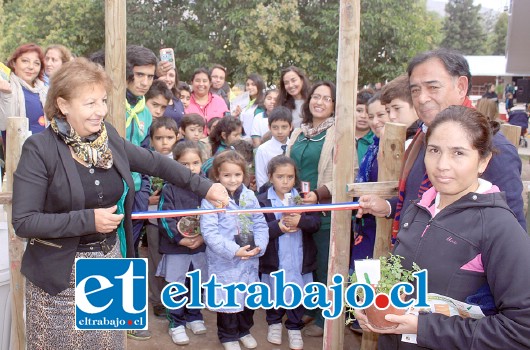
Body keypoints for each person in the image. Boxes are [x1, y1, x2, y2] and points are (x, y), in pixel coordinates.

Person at [11, 58, 229, 350]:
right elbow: (24, 221)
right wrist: (89, 220)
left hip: (112, 263)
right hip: (59, 280)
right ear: (63, 105)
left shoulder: (107, 137)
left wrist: (206, 186)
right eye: (90, 103)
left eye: (102, 100)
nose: (101, 110)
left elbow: (154, 163)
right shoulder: (39, 149)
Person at [355, 106, 530, 349]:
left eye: (458, 153)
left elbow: (521, 330)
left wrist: (424, 328)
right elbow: (401, 280)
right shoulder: (417, 208)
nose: (442, 165)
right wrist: (373, 305)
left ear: (483, 161)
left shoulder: (500, 229)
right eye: (434, 150)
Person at [357, 48, 526, 235]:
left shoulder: (492, 147)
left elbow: (511, 231)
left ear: (461, 87)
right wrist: (389, 207)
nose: (421, 98)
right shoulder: (423, 137)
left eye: (433, 87)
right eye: (415, 90)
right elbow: (425, 198)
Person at [200, 150, 268, 350]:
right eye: (227, 175)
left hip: (249, 259)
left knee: (248, 300)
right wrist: (234, 250)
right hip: (225, 261)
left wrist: (260, 245)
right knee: (227, 301)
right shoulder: (210, 199)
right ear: (217, 175)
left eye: (237, 175)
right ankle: (228, 336)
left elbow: (260, 222)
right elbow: (210, 233)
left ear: (244, 175)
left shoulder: (249, 196)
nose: (232, 180)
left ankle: (244, 331)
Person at [286, 81, 336, 337]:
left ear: (334, 105)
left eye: (326, 99)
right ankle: (310, 306)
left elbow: (349, 174)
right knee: (305, 262)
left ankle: (324, 318)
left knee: (325, 265)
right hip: (298, 208)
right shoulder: (298, 132)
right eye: (316, 97)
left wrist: (319, 194)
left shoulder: (338, 133)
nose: (319, 102)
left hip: (324, 211)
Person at [258, 155, 321, 350]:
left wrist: (300, 222)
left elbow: (315, 223)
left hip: (299, 259)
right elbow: (257, 230)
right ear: (270, 177)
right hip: (274, 260)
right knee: (274, 292)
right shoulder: (261, 201)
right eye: (280, 177)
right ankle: (274, 323)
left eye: (290, 177)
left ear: (296, 178)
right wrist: (279, 226)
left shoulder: (305, 199)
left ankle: (294, 326)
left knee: (298, 292)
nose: (285, 182)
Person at [157, 141, 209, 346]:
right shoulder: (169, 188)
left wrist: (203, 237)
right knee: (176, 286)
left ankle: (194, 316)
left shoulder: (208, 186)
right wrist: (181, 239)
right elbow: (164, 218)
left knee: (196, 283)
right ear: (175, 164)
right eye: (184, 164)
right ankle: (176, 323)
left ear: (202, 163)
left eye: (195, 163)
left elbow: (215, 217)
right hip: (176, 247)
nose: (190, 168)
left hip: (201, 246)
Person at [143, 117, 179, 318]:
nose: (164, 142)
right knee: (155, 260)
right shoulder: (145, 160)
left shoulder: (183, 159)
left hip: (177, 221)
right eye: (159, 138)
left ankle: (175, 297)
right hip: (154, 220)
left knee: (176, 260)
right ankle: (157, 300)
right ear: (151, 139)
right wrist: (148, 200)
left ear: (177, 136)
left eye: (169, 137)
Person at [351, 92, 391, 270]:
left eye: (381, 115)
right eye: (371, 116)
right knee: (363, 286)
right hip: (367, 226)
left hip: (389, 228)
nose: (375, 121)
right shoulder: (373, 148)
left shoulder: (404, 147)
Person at [0, 43, 48, 136]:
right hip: (19, 148)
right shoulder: (5, 86)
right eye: (25, 61)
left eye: (36, 63)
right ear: (14, 63)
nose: (31, 67)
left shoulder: (44, 91)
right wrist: (6, 94)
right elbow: (3, 125)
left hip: (44, 147)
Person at [255, 106, 293, 189]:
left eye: (284, 127)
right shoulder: (263, 150)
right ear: (269, 127)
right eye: (275, 127)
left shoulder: (294, 146)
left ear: (291, 127)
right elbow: (261, 179)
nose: (280, 131)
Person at [380, 74, 419, 148]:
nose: (391, 116)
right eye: (388, 111)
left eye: (397, 108)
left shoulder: (419, 140)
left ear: (415, 105)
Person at [232, 73, 265, 139]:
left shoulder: (263, 104)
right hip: (242, 139)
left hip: (256, 140)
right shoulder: (242, 103)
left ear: (259, 86)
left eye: (253, 84)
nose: (249, 87)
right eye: (247, 85)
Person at [355, 89, 375, 168]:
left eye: (367, 112)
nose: (363, 116)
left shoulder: (377, 141)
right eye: (359, 111)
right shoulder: (340, 137)